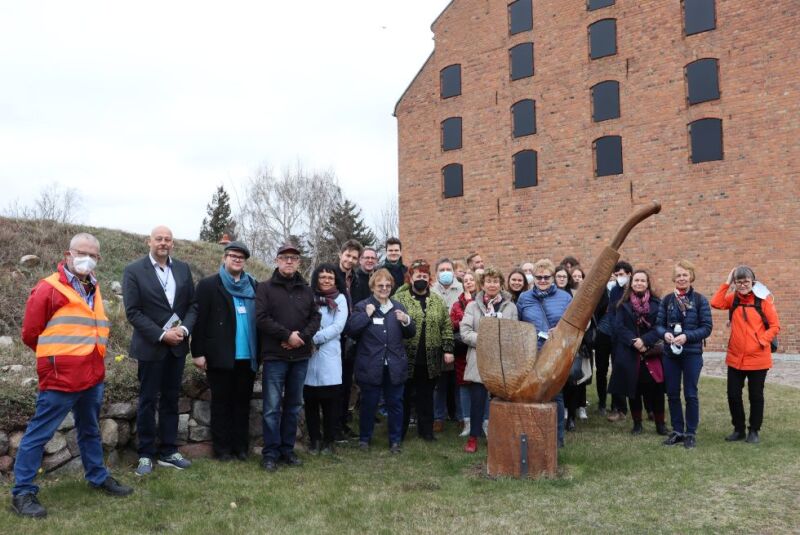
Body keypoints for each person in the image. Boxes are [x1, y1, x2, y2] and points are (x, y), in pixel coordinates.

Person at [12, 233, 133, 518]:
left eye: (93, 255)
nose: (87, 258)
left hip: (92, 376)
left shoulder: (94, 287)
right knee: (39, 434)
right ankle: (23, 492)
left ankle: (97, 477)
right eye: (82, 252)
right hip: (60, 379)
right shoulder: (48, 288)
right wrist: (54, 360)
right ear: (68, 253)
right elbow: (31, 334)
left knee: (90, 429)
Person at [123, 225, 197, 476]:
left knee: (170, 400)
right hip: (151, 347)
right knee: (147, 401)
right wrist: (162, 334)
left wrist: (184, 330)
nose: (163, 243)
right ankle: (145, 454)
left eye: (168, 239)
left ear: (172, 244)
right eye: (159, 239)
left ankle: (168, 450)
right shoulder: (134, 270)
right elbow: (133, 311)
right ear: (149, 242)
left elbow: (192, 305)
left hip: (177, 347)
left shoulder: (183, 269)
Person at [256, 242, 321, 471]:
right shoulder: (265, 288)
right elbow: (261, 318)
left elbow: (316, 317)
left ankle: (287, 450)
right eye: (284, 257)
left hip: (300, 356)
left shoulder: (306, 289)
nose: (289, 261)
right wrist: (286, 335)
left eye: (293, 258)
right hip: (275, 356)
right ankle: (270, 454)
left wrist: (301, 337)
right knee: (272, 408)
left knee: (293, 406)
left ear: (299, 262)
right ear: (277, 260)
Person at [190, 241, 258, 461]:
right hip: (220, 355)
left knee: (242, 404)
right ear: (224, 258)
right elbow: (199, 321)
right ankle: (222, 450)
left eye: (241, 257)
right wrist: (197, 352)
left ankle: (241, 448)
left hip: (247, 356)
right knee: (221, 404)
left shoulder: (254, 286)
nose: (237, 259)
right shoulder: (209, 285)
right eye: (232, 255)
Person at [347, 269, 415, 453]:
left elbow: (411, 333)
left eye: (387, 285)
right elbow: (352, 330)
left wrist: (407, 320)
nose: (384, 289)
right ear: (373, 287)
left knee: (395, 404)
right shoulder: (363, 306)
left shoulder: (398, 307)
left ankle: (395, 441)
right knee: (369, 404)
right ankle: (364, 439)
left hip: (395, 365)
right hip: (370, 365)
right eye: (380, 285)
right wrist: (366, 316)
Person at [711, 266, 780, 444]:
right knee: (733, 395)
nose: (742, 285)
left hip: (758, 359)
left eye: (746, 282)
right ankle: (739, 429)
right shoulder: (733, 299)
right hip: (735, 358)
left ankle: (754, 430)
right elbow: (716, 302)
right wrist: (727, 283)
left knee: (755, 396)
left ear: (753, 282)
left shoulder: (763, 300)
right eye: (738, 282)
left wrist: (762, 341)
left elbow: (775, 326)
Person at [655, 259, 713, 449]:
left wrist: (687, 336)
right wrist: (665, 334)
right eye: (678, 275)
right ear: (674, 278)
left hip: (692, 353)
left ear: (691, 277)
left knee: (690, 394)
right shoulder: (667, 300)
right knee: (672, 393)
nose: (681, 278)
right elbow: (659, 325)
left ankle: (690, 433)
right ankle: (677, 431)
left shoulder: (699, 300)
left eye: (685, 275)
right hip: (670, 354)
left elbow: (706, 328)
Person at [394, 260, 455, 441]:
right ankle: (400, 432)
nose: (421, 278)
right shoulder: (400, 299)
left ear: (429, 279)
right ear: (410, 278)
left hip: (430, 359)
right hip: (406, 357)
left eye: (424, 276)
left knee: (426, 397)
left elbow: (446, 326)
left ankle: (426, 431)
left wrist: (448, 349)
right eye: (417, 275)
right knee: (404, 397)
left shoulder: (437, 300)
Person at [460, 267, 518, 452]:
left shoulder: (510, 306)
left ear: (501, 284)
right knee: (477, 400)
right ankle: (473, 437)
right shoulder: (472, 306)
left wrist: (500, 341)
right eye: (488, 281)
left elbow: (514, 332)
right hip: (480, 358)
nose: (492, 284)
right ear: (482, 284)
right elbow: (465, 332)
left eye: (495, 281)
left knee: (501, 400)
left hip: (502, 360)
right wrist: (485, 340)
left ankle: (501, 436)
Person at [517, 259, 573, 447]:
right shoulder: (524, 298)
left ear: (553, 277)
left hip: (555, 352)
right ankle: (533, 436)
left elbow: (574, 323)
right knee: (532, 393)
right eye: (538, 277)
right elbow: (518, 324)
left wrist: (560, 330)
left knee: (555, 394)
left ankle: (557, 439)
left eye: (546, 277)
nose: (542, 280)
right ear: (533, 277)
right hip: (531, 352)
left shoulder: (565, 297)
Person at [608, 270, 667, 436]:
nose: (639, 283)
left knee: (656, 390)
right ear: (631, 283)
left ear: (647, 283)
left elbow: (660, 326)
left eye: (642, 280)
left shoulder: (657, 303)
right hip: (630, 352)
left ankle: (660, 424)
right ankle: (637, 424)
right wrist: (634, 341)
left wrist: (645, 341)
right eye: (636, 280)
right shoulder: (622, 304)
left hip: (652, 352)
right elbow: (619, 327)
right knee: (633, 390)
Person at [303, 263, 349, 455]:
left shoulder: (341, 299)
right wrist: (308, 339)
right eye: (322, 277)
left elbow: (339, 326)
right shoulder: (308, 298)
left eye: (330, 277)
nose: (326, 280)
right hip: (309, 355)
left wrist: (316, 338)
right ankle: (314, 440)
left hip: (329, 354)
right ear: (316, 279)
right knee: (311, 402)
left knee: (330, 403)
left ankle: (329, 441)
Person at [333, 239, 363, 440]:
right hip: (334, 334)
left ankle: (342, 423)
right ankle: (332, 425)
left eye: (354, 257)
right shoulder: (329, 275)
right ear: (340, 254)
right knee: (333, 382)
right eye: (348, 255)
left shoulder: (358, 280)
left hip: (351, 335)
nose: (350, 260)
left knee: (346, 382)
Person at [596, 261, 633, 422]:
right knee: (602, 369)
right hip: (605, 333)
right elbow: (608, 311)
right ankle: (603, 403)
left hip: (621, 335)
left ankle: (619, 406)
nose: (619, 277)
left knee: (619, 369)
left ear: (629, 274)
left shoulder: (633, 290)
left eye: (622, 274)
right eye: (616, 275)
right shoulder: (613, 289)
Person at [431, 258, 463, 431]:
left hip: (458, 339)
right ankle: (438, 417)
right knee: (440, 382)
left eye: (448, 269)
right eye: (442, 269)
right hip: (437, 341)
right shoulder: (431, 291)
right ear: (437, 273)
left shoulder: (462, 289)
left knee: (459, 382)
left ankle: (460, 415)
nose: (445, 272)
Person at [450, 271, 479, 437]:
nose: (468, 282)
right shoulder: (457, 304)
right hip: (463, 350)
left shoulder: (483, 300)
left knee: (482, 386)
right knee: (464, 386)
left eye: (471, 280)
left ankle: (483, 421)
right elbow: (453, 322)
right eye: (465, 280)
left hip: (481, 349)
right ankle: (467, 422)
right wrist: (464, 322)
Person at [570, 266, 590, 421]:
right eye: (574, 276)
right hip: (568, 339)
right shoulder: (566, 295)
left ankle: (581, 405)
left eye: (579, 276)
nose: (577, 278)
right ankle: (569, 408)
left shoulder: (587, 295)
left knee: (580, 375)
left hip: (583, 340)